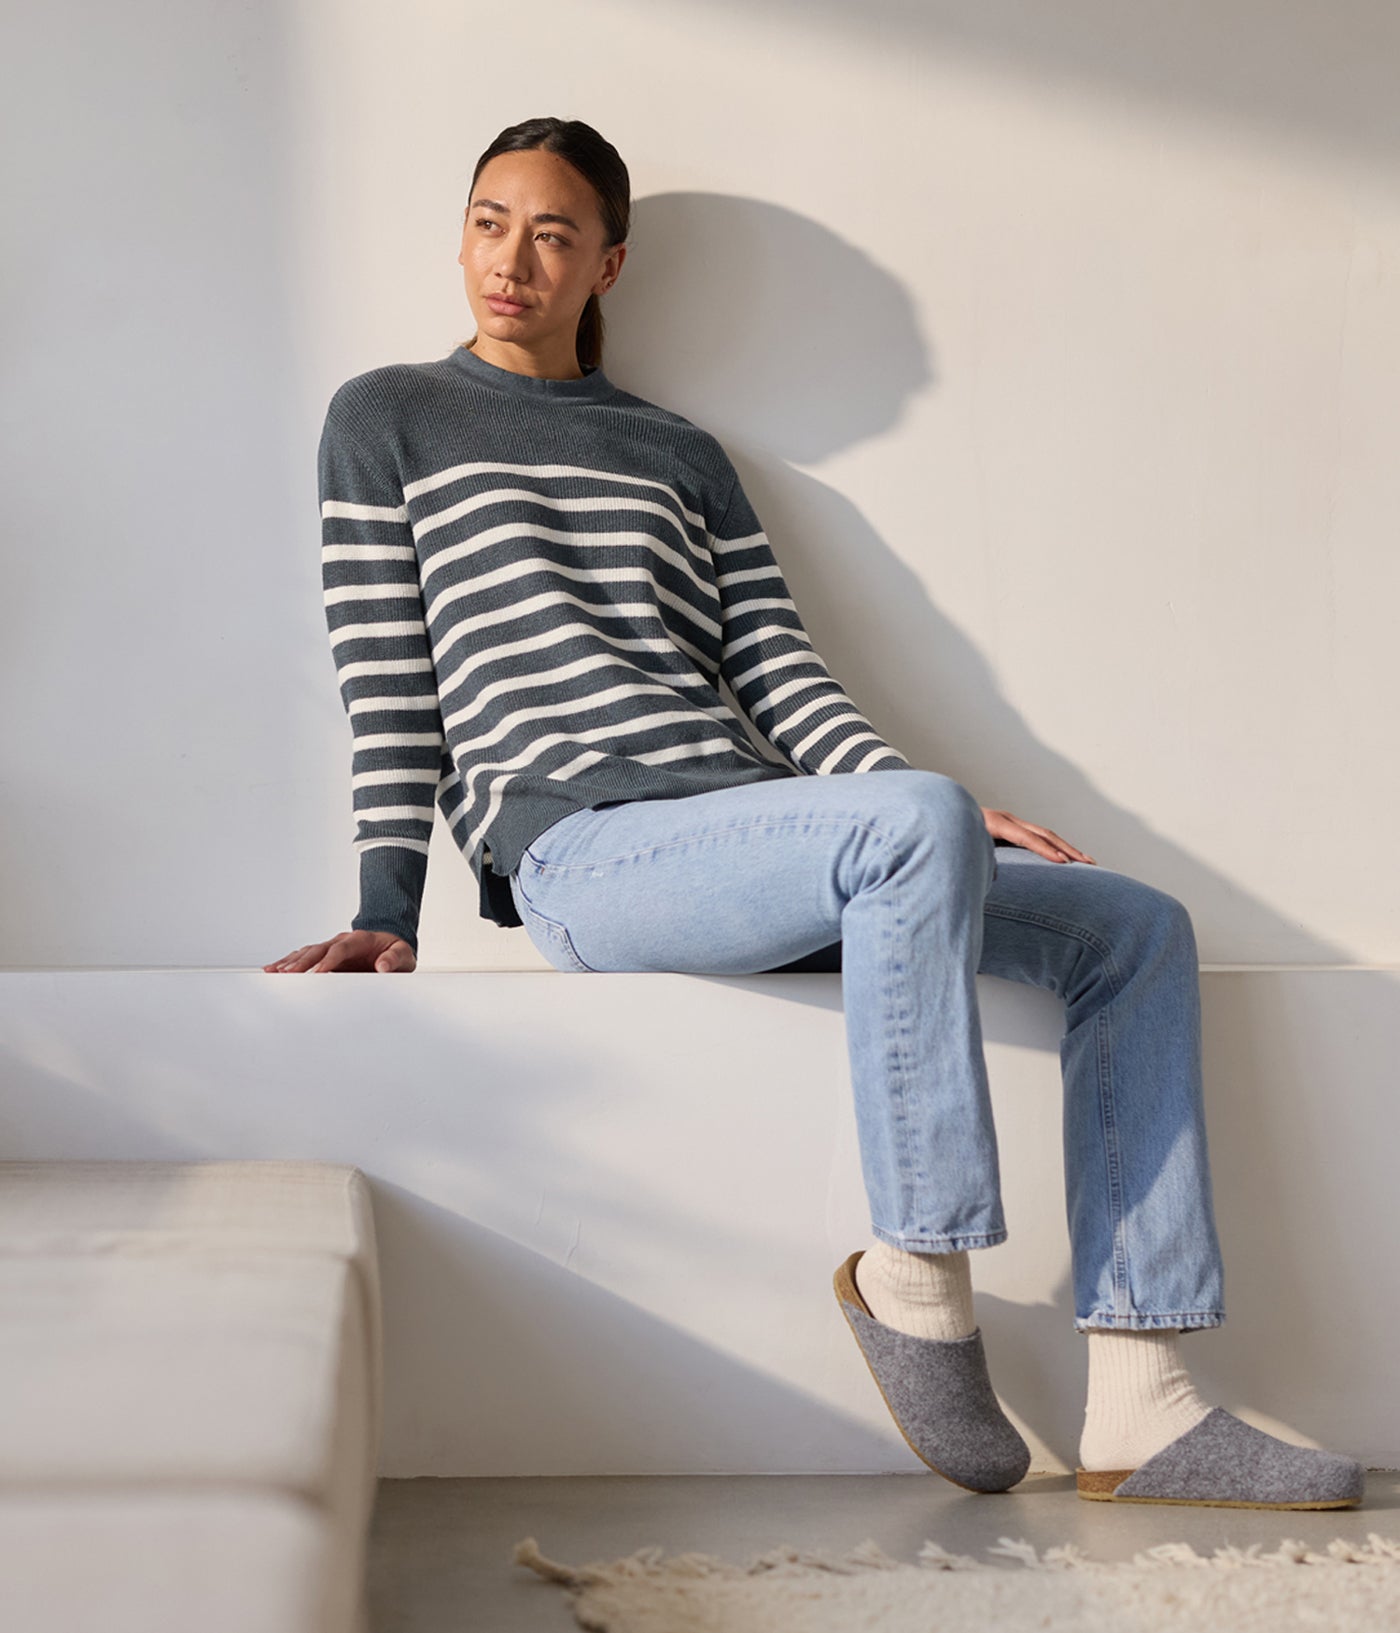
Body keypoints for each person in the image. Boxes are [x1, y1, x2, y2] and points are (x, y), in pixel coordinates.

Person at [264, 116, 1364, 1509]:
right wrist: (381, 907)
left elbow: (777, 670)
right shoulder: (388, 418)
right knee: (911, 822)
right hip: (584, 855)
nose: (513, 260)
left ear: (609, 261)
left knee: (1134, 925)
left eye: (552, 233)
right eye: (490, 221)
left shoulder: (680, 452)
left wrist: (941, 814)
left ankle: (1144, 1395)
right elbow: (386, 677)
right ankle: (917, 1270)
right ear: (463, 233)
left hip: (760, 828)